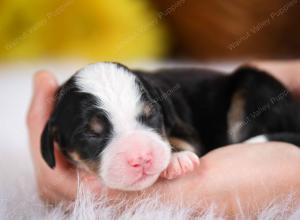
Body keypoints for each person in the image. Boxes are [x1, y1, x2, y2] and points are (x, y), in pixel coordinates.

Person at [27, 61, 300, 215]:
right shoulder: (61, 120)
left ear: (159, 108)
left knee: (254, 85)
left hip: (245, 97)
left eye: (147, 118)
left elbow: (186, 133)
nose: (140, 156)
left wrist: (178, 150)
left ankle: (269, 139)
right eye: (94, 135)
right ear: (55, 141)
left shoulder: (161, 99)